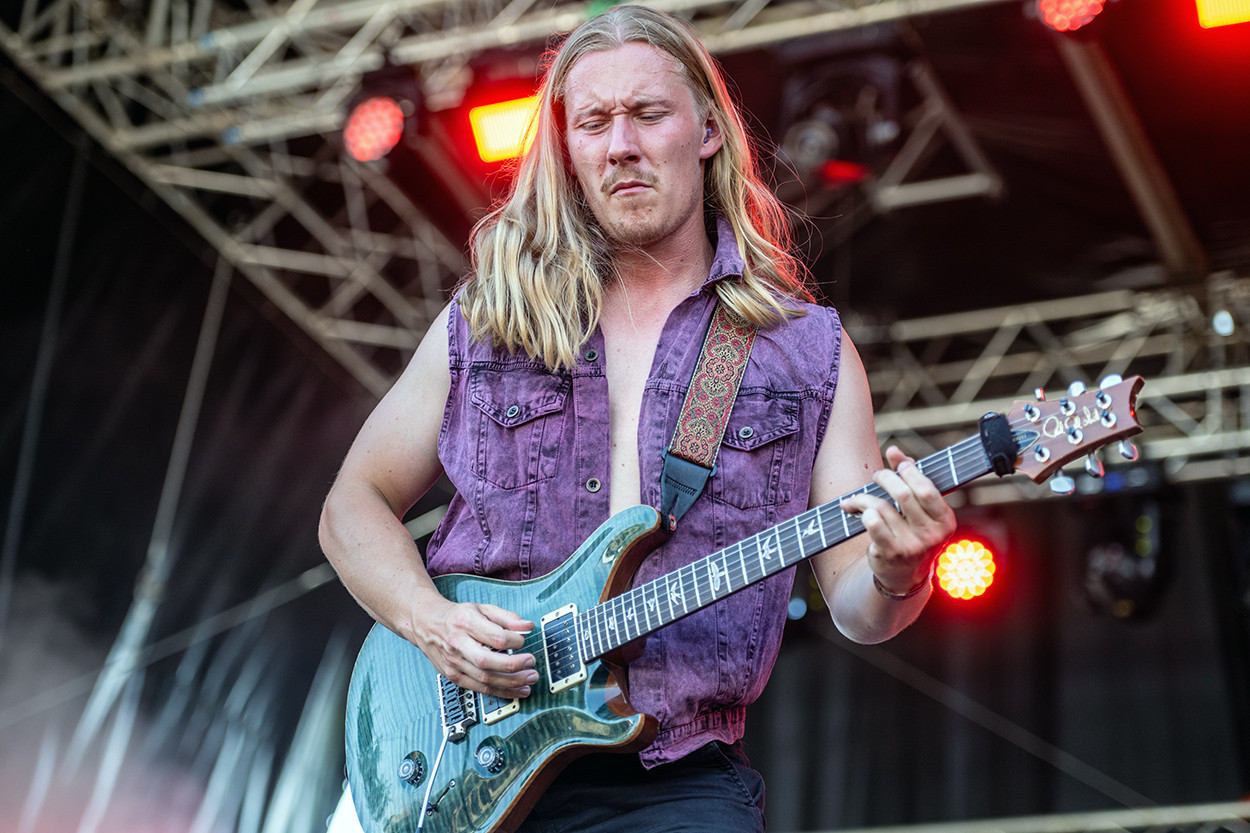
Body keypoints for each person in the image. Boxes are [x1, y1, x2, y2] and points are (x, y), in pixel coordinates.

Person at [318, 5, 957, 832]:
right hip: (460, 762)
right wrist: (429, 620)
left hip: (675, 777)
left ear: (708, 130)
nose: (621, 144)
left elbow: (859, 608)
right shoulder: (488, 320)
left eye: (649, 113)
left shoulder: (806, 352)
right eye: (594, 122)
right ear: (568, 150)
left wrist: (901, 569)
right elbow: (352, 504)